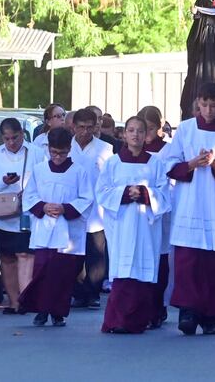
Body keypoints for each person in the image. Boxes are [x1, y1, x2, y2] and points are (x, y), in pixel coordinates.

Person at [166, 83, 215, 335]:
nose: (209, 110)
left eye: (213, 105)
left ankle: (210, 315)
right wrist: (190, 163)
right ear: (197, 103)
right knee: (188, 262)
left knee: (212, 264)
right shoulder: (186, 129)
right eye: (204, 104)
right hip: (189, 203)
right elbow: (168, 163)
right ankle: (188, 312)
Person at [97, 117, 171, 334]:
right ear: (124, 134)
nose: (136, 135)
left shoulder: (156, 163)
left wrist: (146, 193)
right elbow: (102, 191)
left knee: (143, 269)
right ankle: (116, 320)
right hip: (122, 223)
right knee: (123, 270)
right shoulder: (113, 162)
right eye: (131, 130)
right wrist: (126, 193)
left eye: (140, 131)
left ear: (146, 134)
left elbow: (164, 194)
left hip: (146, 224)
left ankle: (138, 320)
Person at [18, 128, 93, 327]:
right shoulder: (39, 169)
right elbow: (29, 196)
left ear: (69, 149)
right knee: (42, 270)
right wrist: (43, 206)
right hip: (44, 228)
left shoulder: (79, 172)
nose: (58, 157)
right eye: (54, 152)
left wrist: (65, 208)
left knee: (63, 274)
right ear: (48, 149)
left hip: (68, 232)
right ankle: (42, 310)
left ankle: (58, 312)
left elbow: (87, 199)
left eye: (62, 153)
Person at [0, 118, 45, 314]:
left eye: (15, 138)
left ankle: (25, 299)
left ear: (22, 134)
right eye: (7, 139)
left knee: (26, 255)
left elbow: (45, 177)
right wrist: (3, 182)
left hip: (28, 212)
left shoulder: (36, 152)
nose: (11, 143)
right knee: (7, 258)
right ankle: (13, 301)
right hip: (3, 215)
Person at [70, 108, 114, 310]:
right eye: (81, 127)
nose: (85, 132)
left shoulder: (105, 148)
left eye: (90, 127)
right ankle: (78, 293)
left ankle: (93, 293)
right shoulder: (67, 147)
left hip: (97, 209)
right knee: (73, 254)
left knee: (96, 254)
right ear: (73, 127)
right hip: (72, 208)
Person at [136, 105, 172, 327]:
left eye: (150, 129)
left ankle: (158, 306)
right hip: (137, 212)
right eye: (142, 129)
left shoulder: (167, 151)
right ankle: (142, 305)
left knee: (159, 258)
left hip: (160, 209)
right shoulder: (131, 152)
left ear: (160, 128)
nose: (145, 134)